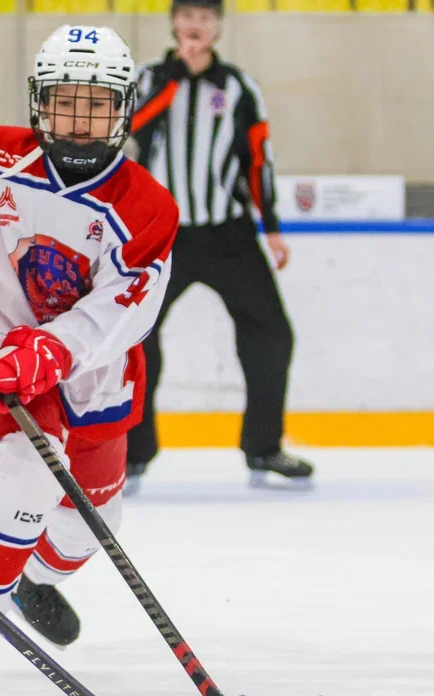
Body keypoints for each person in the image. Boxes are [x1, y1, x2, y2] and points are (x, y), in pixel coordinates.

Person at [0, 25, 177, 690]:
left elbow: (132, 304)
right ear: (38, 101)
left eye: (97, 103)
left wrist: (56, 347)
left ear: (124, 108)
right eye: (65, 101)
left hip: (92, 374)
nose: (80, 118)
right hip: (3, 358)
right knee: (28, 475)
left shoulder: (146, 207)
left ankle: (34, 577)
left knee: (89, 526)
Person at [124, 0, 313, 493]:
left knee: (272, 333)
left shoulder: (238, 86)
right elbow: (131, 132)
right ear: (173, 22)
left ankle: (264, 448)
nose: (195, 25)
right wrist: (176, 78)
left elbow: (257, 157)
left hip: (228, 234)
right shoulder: (147, 78)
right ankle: (134, 452)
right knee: (136, 338)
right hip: (164, 234)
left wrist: (270, 226)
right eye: (187, 16)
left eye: (205, 18)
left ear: (218, 28)